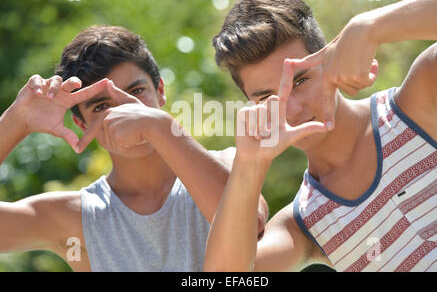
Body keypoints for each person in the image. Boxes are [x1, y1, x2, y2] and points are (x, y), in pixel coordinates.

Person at [204, 0, 437, 272]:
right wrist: (249, 164)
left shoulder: (418, 107)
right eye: (268, 98)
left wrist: (372, 26)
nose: (292, 109)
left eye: (300, 81)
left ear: (328, 59)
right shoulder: (304, 224)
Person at [0, 25, 268, 272]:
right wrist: (16, 122)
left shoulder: (228, 163)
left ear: (160, 91)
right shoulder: (75, 215)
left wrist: (161, 128)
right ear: (81, 124)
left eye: (136, 91)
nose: (125, 110)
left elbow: (250, 226)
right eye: (101, 106)